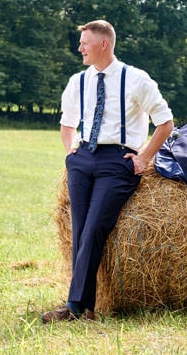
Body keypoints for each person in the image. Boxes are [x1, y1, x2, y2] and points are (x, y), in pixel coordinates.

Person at [46, 20, 174, 323]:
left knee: (93, 229)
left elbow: (165, 123)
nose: (80, 49)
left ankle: (76, 308)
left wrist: (142, 158)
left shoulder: (136, 79)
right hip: (83, 158)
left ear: (104, 44)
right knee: (79, 230)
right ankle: (85, 308)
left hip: (117, 162)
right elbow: (67, 123)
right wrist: (70, 151)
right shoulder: (77, 81)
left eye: (85, 43)